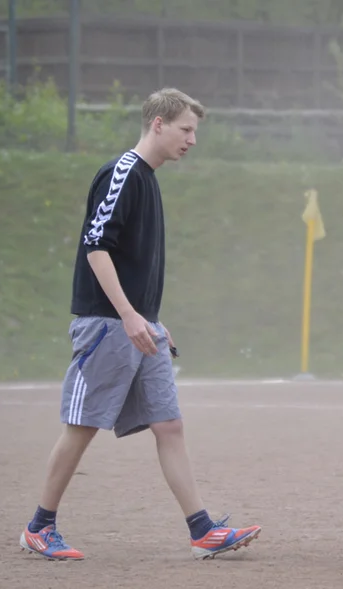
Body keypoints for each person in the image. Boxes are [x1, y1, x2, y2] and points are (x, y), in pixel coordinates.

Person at [19, 88, 262, 561]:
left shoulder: (150, 179)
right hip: (107, 325)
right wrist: (130, 316)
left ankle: (202, 530)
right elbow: (96, 247)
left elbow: (132, 263)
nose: (192, 140)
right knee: (82, 426)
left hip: (137, 325)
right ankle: (38, 527)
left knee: (169, 425)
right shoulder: (123, 173)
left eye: (194, 131)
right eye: (186, 129)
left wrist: (151, 320)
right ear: (158, 124)